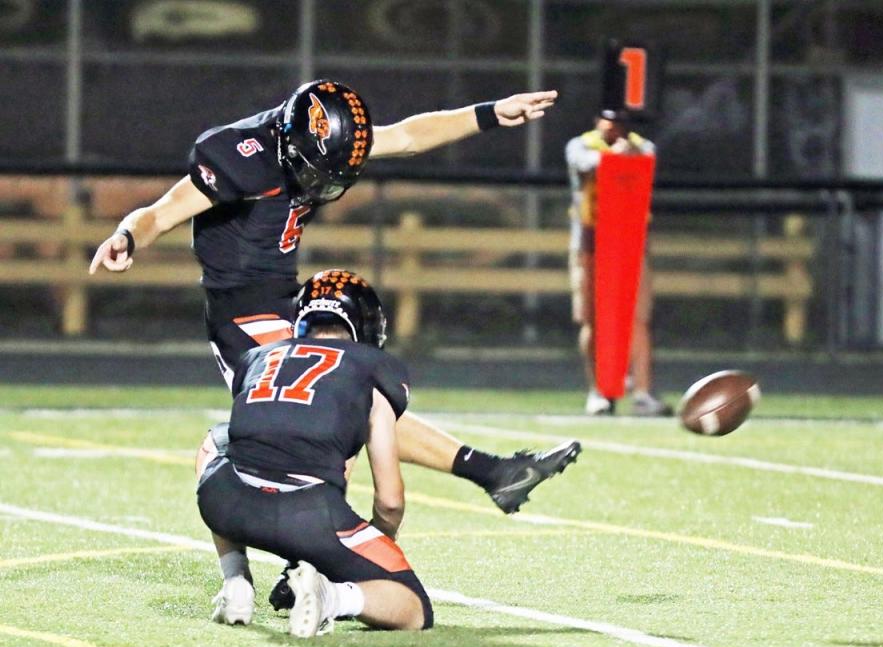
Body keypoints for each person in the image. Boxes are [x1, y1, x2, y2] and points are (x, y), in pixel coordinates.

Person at [88, 79, 578, 516]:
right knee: (335, 405)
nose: (325, 185)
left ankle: (493, 474)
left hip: (287, 299)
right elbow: (160, 212)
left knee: (360, 399)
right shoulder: (242, 158)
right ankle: (480, 477)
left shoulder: (328, 142)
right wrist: (127, 237)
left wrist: (490, 113)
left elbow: (407, 136)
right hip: (241, 314)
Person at [196, 271, 433, 635]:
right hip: (308, 515)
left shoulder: (259, 356)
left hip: (226, 504)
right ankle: (332, 598)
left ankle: (235, 580)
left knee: (217, 439)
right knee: (413, 607)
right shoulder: (374, 370)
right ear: (367, 327)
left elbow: (233, 440)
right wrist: (358, 556)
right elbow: (390, 501)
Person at [565, 110, 671, 417]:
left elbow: (646, 162)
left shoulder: (642, 145)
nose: (614, 126)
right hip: (590, 243)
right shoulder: (580, 146)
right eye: (608, 119)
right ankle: (599, 390)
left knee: (638, 318)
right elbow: (587, 166)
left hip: (630, 242)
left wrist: (629, 152)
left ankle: (642, 392)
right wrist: (614, 155)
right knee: (592, 318)